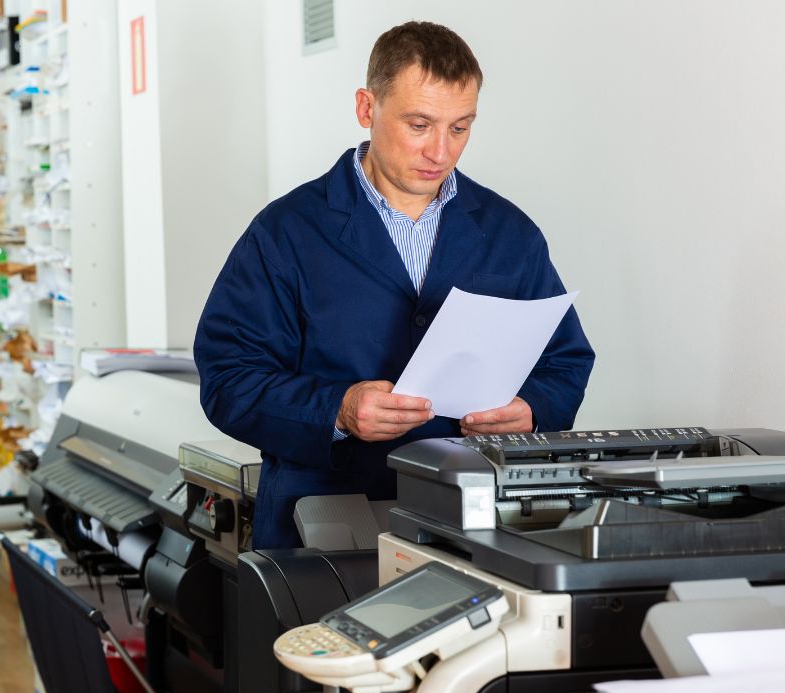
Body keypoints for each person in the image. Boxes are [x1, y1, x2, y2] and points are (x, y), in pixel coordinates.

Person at [194, 21, 594, 549]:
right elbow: (228, 379)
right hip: (319, 524)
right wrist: (336, 409)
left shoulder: (509, 233)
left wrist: (533, 409)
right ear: (367, 108)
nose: (440, 151)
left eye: (460, 127)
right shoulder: (286, 232)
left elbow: (565, 361)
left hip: (470, 522)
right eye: (419, 124)